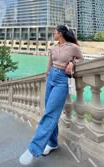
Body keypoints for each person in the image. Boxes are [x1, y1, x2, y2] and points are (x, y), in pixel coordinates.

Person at [19, 25, 84, 165]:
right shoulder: (53, 48)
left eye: (54, 32)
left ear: (60, 33)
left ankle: (33, 148)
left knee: (50, 113)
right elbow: (49, 65)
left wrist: (72, 63)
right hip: (51, 78)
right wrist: (47, 76)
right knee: (49, 112)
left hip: (62, 80)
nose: (53, 34)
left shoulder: (73, 47)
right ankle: (53, 143)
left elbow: (81, 59)